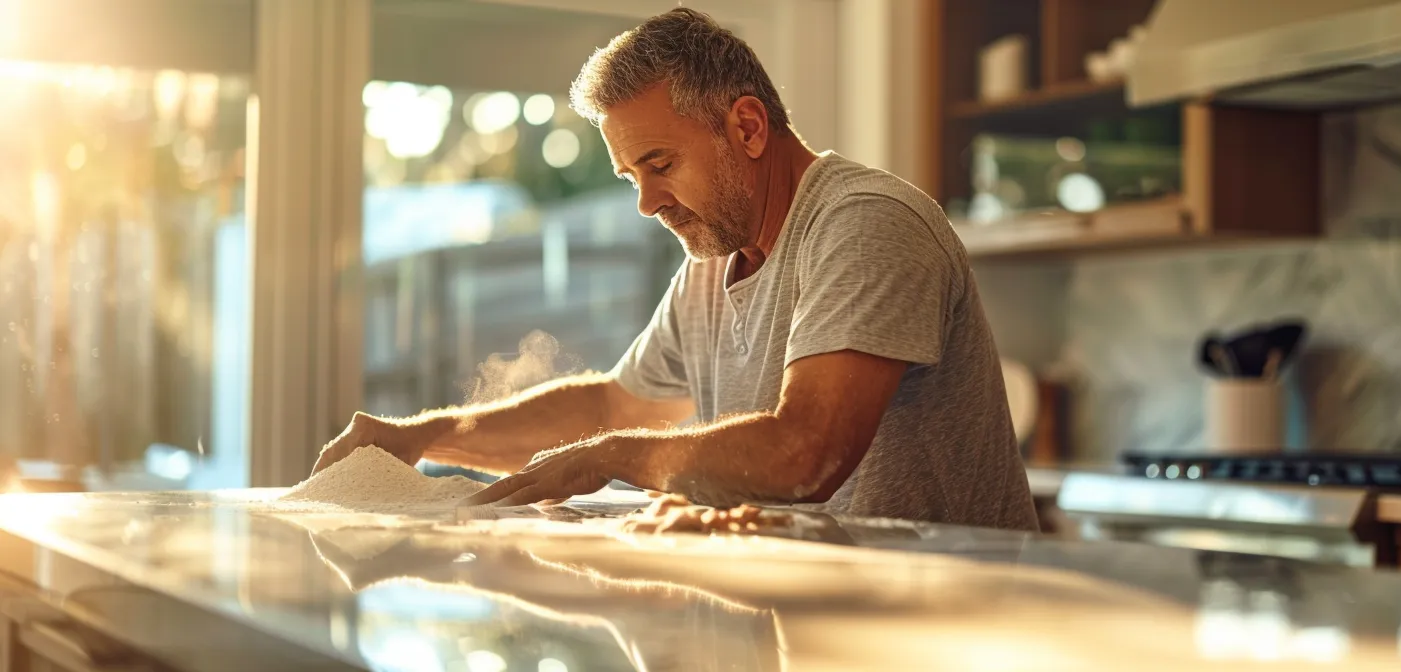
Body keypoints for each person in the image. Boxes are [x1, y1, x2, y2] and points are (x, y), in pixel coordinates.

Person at [312, 7, 1037, 531]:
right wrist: (419, 437)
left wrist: (612, 458)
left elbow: (806, 451)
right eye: (631, 177)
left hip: (947, 627)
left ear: (747, 128)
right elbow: (609, 409)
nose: (647, 204)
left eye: (660, 164)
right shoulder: (711, 265)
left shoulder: (865, 223)